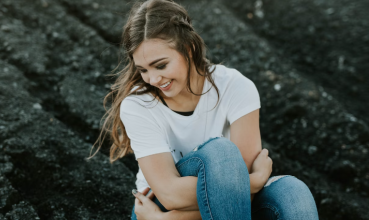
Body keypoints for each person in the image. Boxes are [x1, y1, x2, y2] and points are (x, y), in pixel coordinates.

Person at [89, 0, 319, 219]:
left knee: (292, 192)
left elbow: (242, 197)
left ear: (188, 49)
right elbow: (169, 195)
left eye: (161, 65)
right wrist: (255, 180)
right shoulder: (138, 105)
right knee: (222, 154)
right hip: (160, 207)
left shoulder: (235, 87)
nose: (153, 79)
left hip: (184, 215)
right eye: (143, 70)